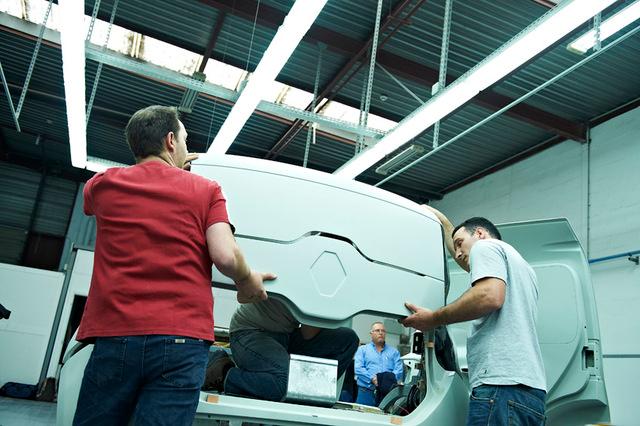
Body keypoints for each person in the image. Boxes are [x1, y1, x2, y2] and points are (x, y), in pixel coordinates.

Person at [73, 105, 276, 426]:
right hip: (181, 338)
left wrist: (171, 171)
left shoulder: (102, 185)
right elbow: (225, 256)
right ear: (170, 140)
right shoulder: (206, 189)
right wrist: (248, 279)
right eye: (184, 140)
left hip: (115, 333)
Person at [401, 205, 546, 425]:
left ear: (479, 233)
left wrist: (433, 319)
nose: (458, 253)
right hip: (531, 395)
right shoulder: (522, 267)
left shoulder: (485, 247)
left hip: (499, 387)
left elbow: (489, 296)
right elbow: (464, 258)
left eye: (460, 243)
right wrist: (441, 221)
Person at [203, 297, 359, 402]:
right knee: (284, 383)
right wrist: (325, 304)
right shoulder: (312, 272)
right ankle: (224, 374)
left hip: (285, 335)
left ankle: (308, 393)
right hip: (251, 331)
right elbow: (309, 333)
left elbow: (307, 333)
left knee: (348, 340)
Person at [354, 321, 404, 406]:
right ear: (371, 333)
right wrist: (372, 379)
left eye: (383, 331)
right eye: (377, 330)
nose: (380, 333)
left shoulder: (394, 352)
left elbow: (399, 371)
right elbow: (358, 368)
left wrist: (386, 381)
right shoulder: (362, 350)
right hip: (365, 392)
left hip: (387, 394)